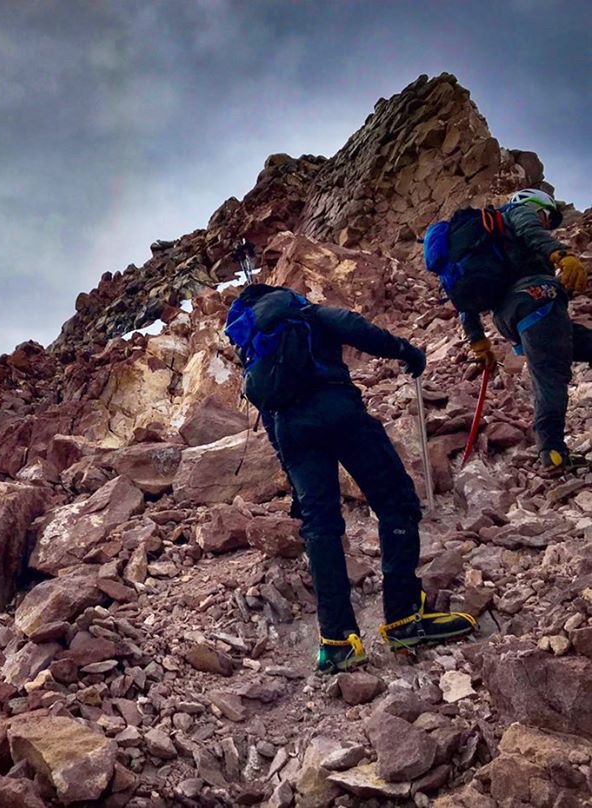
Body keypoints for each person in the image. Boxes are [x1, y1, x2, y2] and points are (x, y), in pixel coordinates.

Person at [226, 285, 476, 673]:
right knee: (395, 502)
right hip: (339, 412)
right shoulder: (307, 313)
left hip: (293, 432)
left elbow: (270, 418)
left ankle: (338, 640)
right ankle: (404, 618)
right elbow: (355, 327)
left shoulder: (257, 350)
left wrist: (294, 479)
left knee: (321, 527)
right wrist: (405, 352)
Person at [459, 189, 591, 473]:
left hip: (512, 315)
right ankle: (552, 452)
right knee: (551, 378)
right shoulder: (518, 212)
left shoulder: (484, 244)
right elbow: (531, 229)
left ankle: (552, 450)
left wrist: (479, 343)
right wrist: (560, 254)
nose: (545, 222)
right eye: (546, 216)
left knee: (571, 352)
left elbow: (464, 298)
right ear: (535, 205)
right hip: (537, 299)